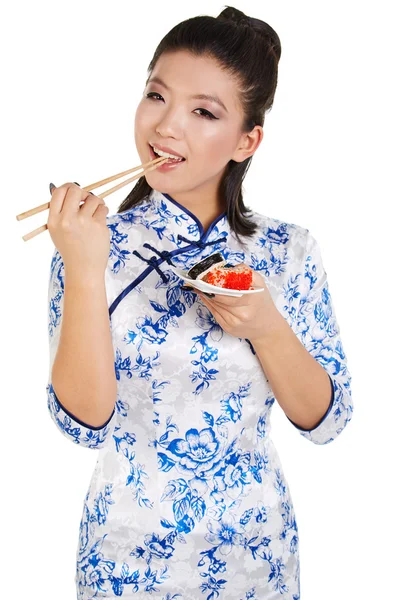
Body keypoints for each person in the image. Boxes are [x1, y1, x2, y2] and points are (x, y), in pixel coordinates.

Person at [46, 6, 353, 599]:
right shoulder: (87, 242)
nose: (166, 127)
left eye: (203, 111)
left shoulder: (289, 251)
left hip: (257, 554)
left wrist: (265, 326)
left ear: (247, 140)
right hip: (124, 560)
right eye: (156, 96)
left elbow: (327, 422)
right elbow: (81, 424)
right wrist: (84, 270)